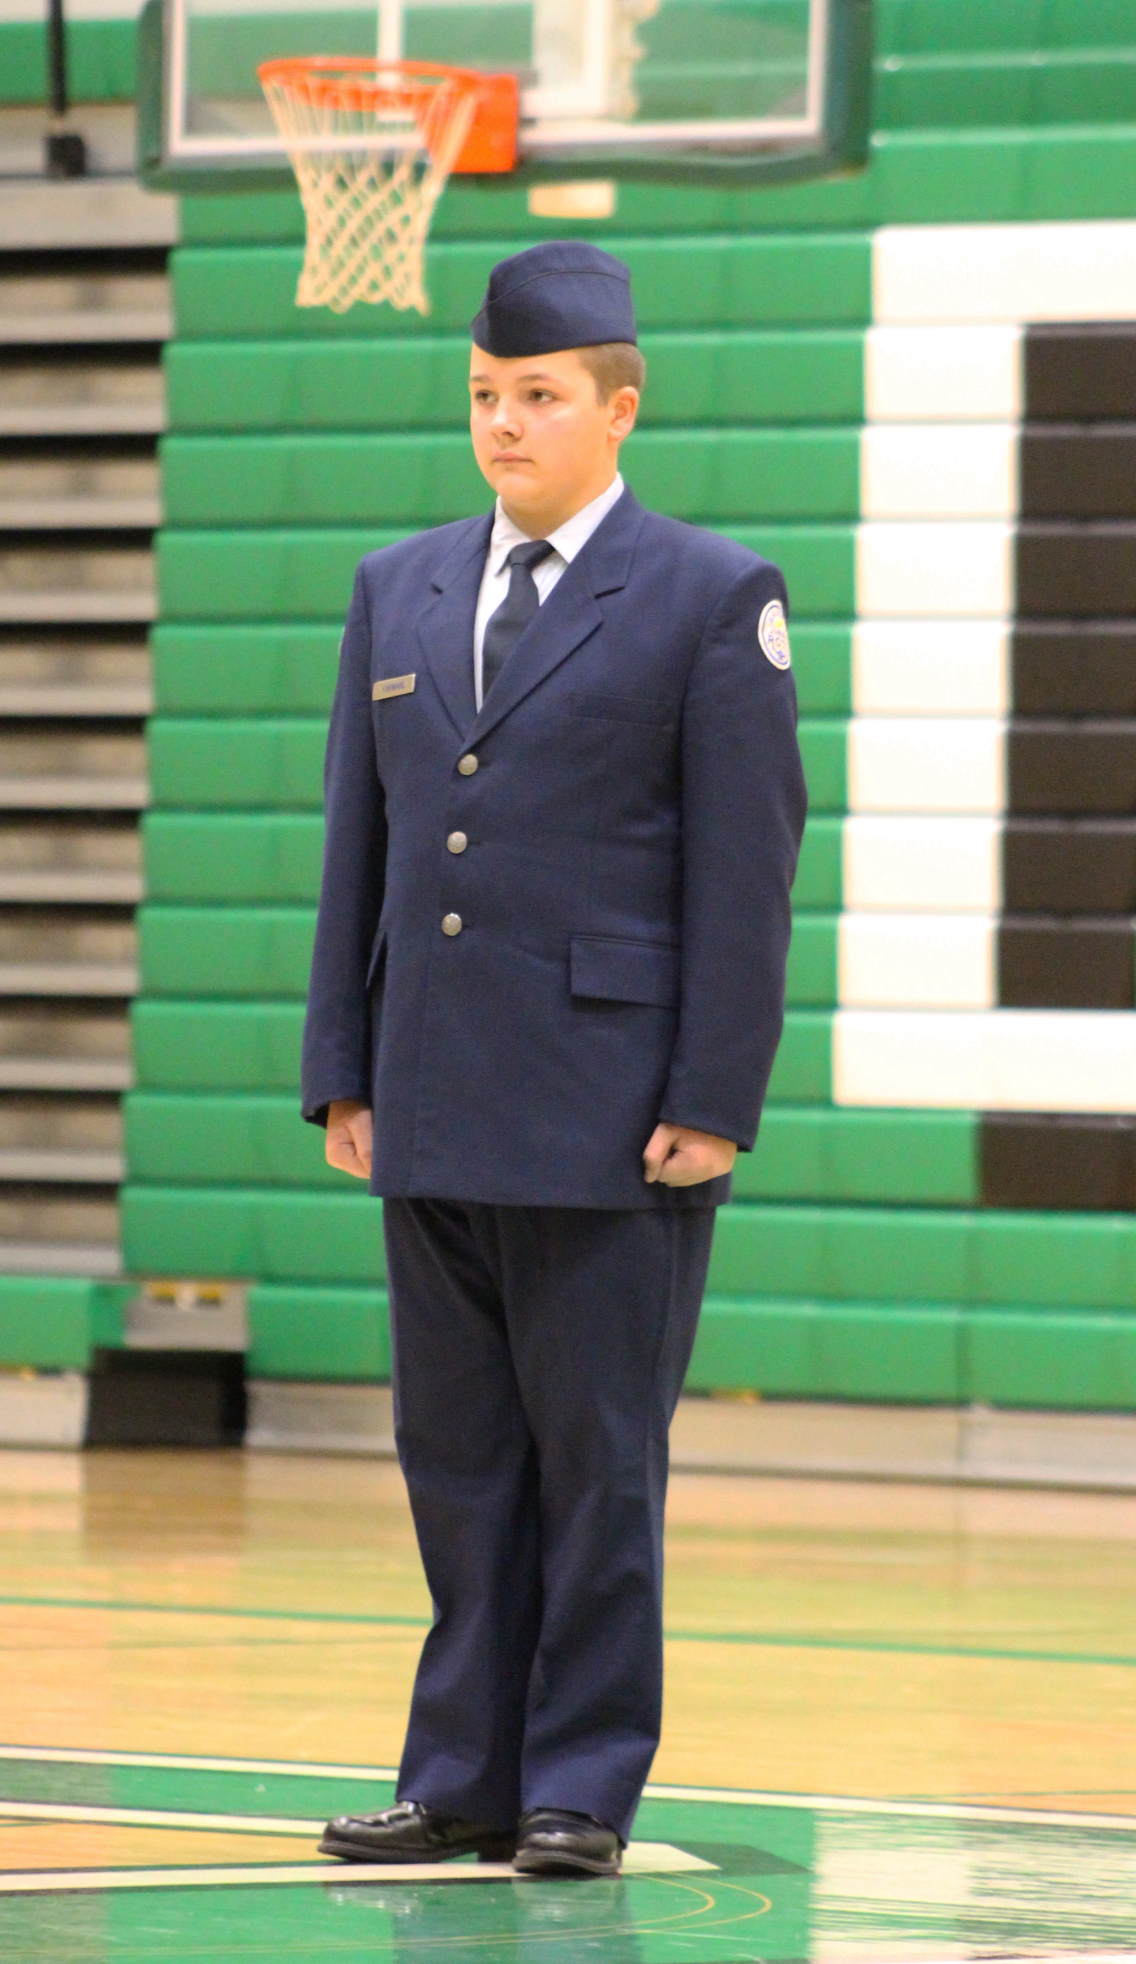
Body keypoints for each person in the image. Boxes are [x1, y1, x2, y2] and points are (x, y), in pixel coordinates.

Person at [301, 240, 806, 1876]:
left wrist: (712, 1099)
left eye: (536, 397)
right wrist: (343, 1066)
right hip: (434, 1093)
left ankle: (578, 1785)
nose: (503, 426)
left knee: (598, 1470)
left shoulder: (710, 593)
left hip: (610, 1115)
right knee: (454, 1459)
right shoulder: (401, 586)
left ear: (618, 405)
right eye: (483, 397)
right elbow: (356, 852)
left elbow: (746, 874)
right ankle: (459, 1774)